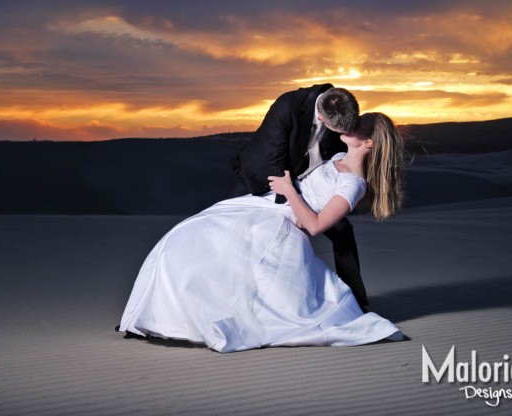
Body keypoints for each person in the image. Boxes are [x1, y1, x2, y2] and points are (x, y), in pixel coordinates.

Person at [118, 113, 405, 353]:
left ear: (368, 142)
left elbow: (316, 225)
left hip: (282, 222)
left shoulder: (353, 185)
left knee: (217, 250)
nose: (351, 124)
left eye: (359, 126)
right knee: (188, 234)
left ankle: (194, 320)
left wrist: (289, 190)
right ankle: (161, 316)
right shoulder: (340, 155)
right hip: (264, 206)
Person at [227, 84, 370, 310]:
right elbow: (272, 162)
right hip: (263, 177)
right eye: (338, 131)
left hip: (306, 186)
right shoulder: (288, 106)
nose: (344, 135)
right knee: (230, 229)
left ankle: (357, 301)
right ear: (321, 118)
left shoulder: (339, 108)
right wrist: (295, 207)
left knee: (342, 232)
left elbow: (337, 160)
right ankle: (238, 297)